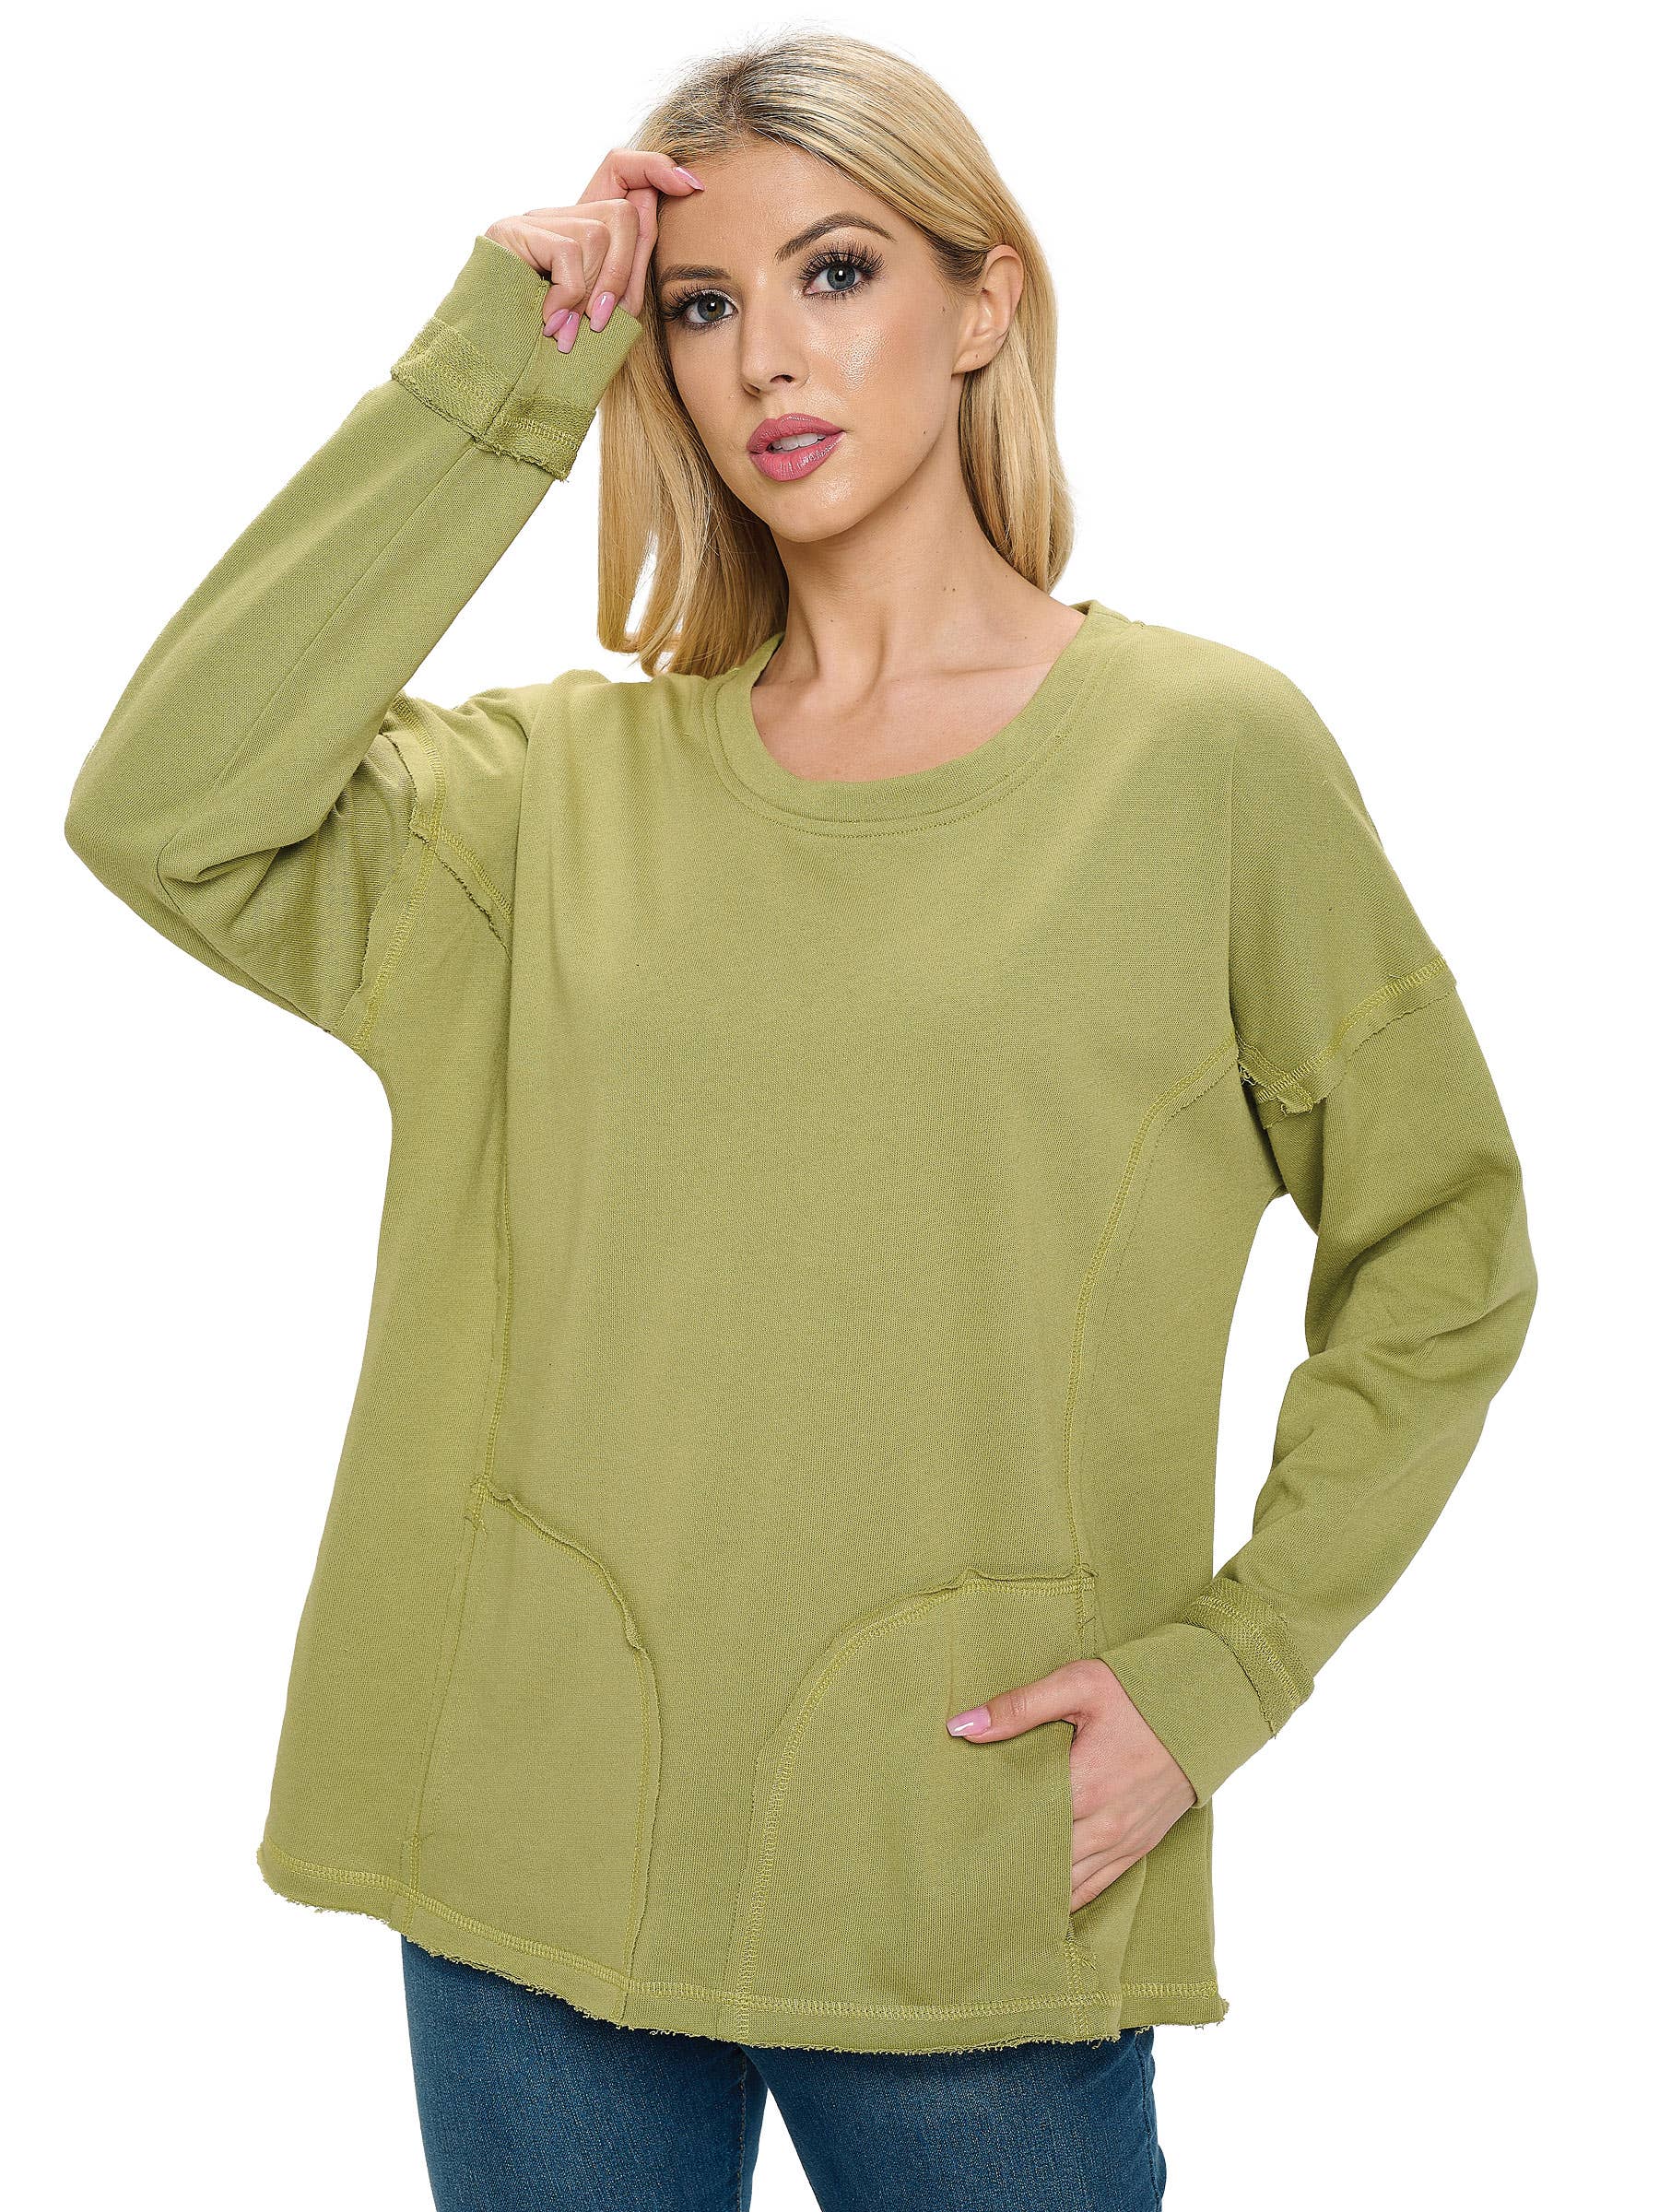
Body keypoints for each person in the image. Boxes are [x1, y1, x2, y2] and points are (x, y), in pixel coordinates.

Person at [60, 31, 1537, 2212]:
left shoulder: (1203, 760)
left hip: (969, 1857)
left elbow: (1446, 1253)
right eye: (699, 302)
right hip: (532, 1865)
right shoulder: (553, 802)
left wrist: (1227, 1675)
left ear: (984, 299)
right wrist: (498, 376)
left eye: (836, 272)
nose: (765, 356)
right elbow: (163, 807)